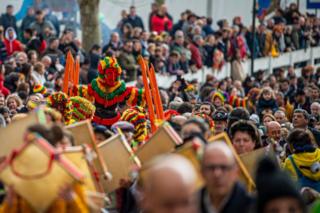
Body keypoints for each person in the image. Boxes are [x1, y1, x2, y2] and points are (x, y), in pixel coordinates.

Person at [198, 142, 253, 213]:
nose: (217, 174)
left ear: (236, 172)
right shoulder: (190, 206)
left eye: (223, 167)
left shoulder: (253, 207)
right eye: (211, 168)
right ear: (202, 173)